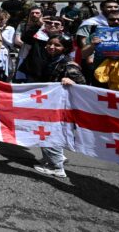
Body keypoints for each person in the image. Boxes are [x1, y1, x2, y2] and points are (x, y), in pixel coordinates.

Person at [31, 34, 86, 178]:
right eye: (50, 44)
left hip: (60, 109)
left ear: (65, 48)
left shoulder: (69, 66)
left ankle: (57, 167)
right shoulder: (50, 60)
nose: (51, 47)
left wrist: (72, 82)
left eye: (57, 45)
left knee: (51, 134)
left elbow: (83, 87)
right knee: (43, 132)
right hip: (48, 105)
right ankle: (50, 159)